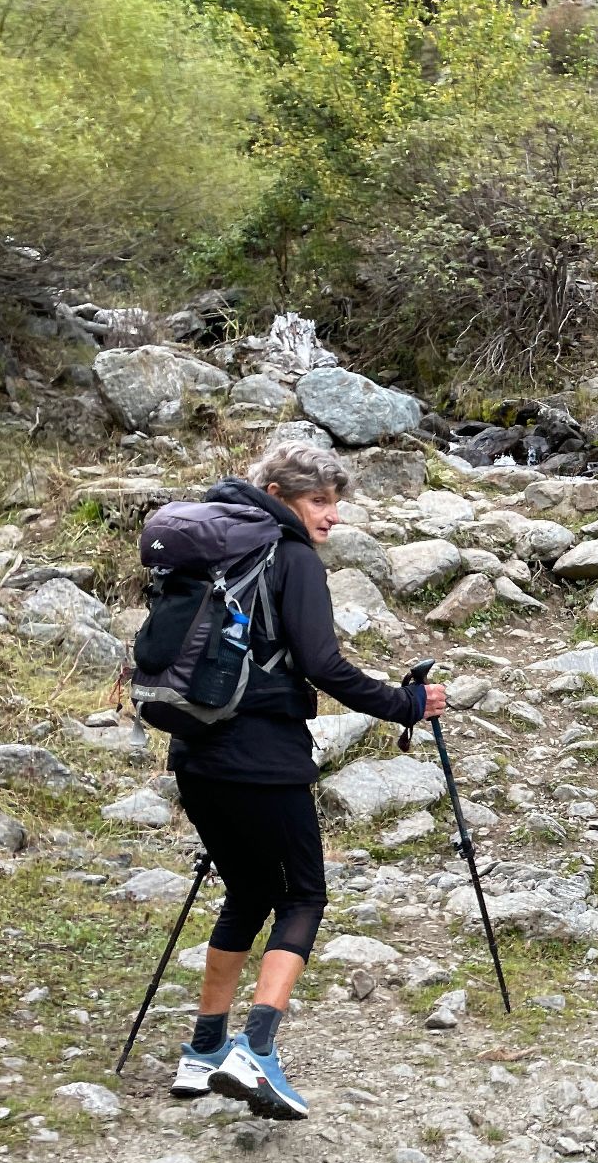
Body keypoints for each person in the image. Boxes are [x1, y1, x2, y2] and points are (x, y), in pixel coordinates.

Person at [165, 442, 445, 1121]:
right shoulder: (289, 558)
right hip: (263, 759)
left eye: (334, 501)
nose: (332, 515)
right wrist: (406, 704)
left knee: (248, 891)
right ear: (279, 497)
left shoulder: (211, 551)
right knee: (303, 897)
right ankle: (255, 1050)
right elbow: (323, 664)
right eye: (319, 500)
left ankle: (204, 1049)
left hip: (195, 754)